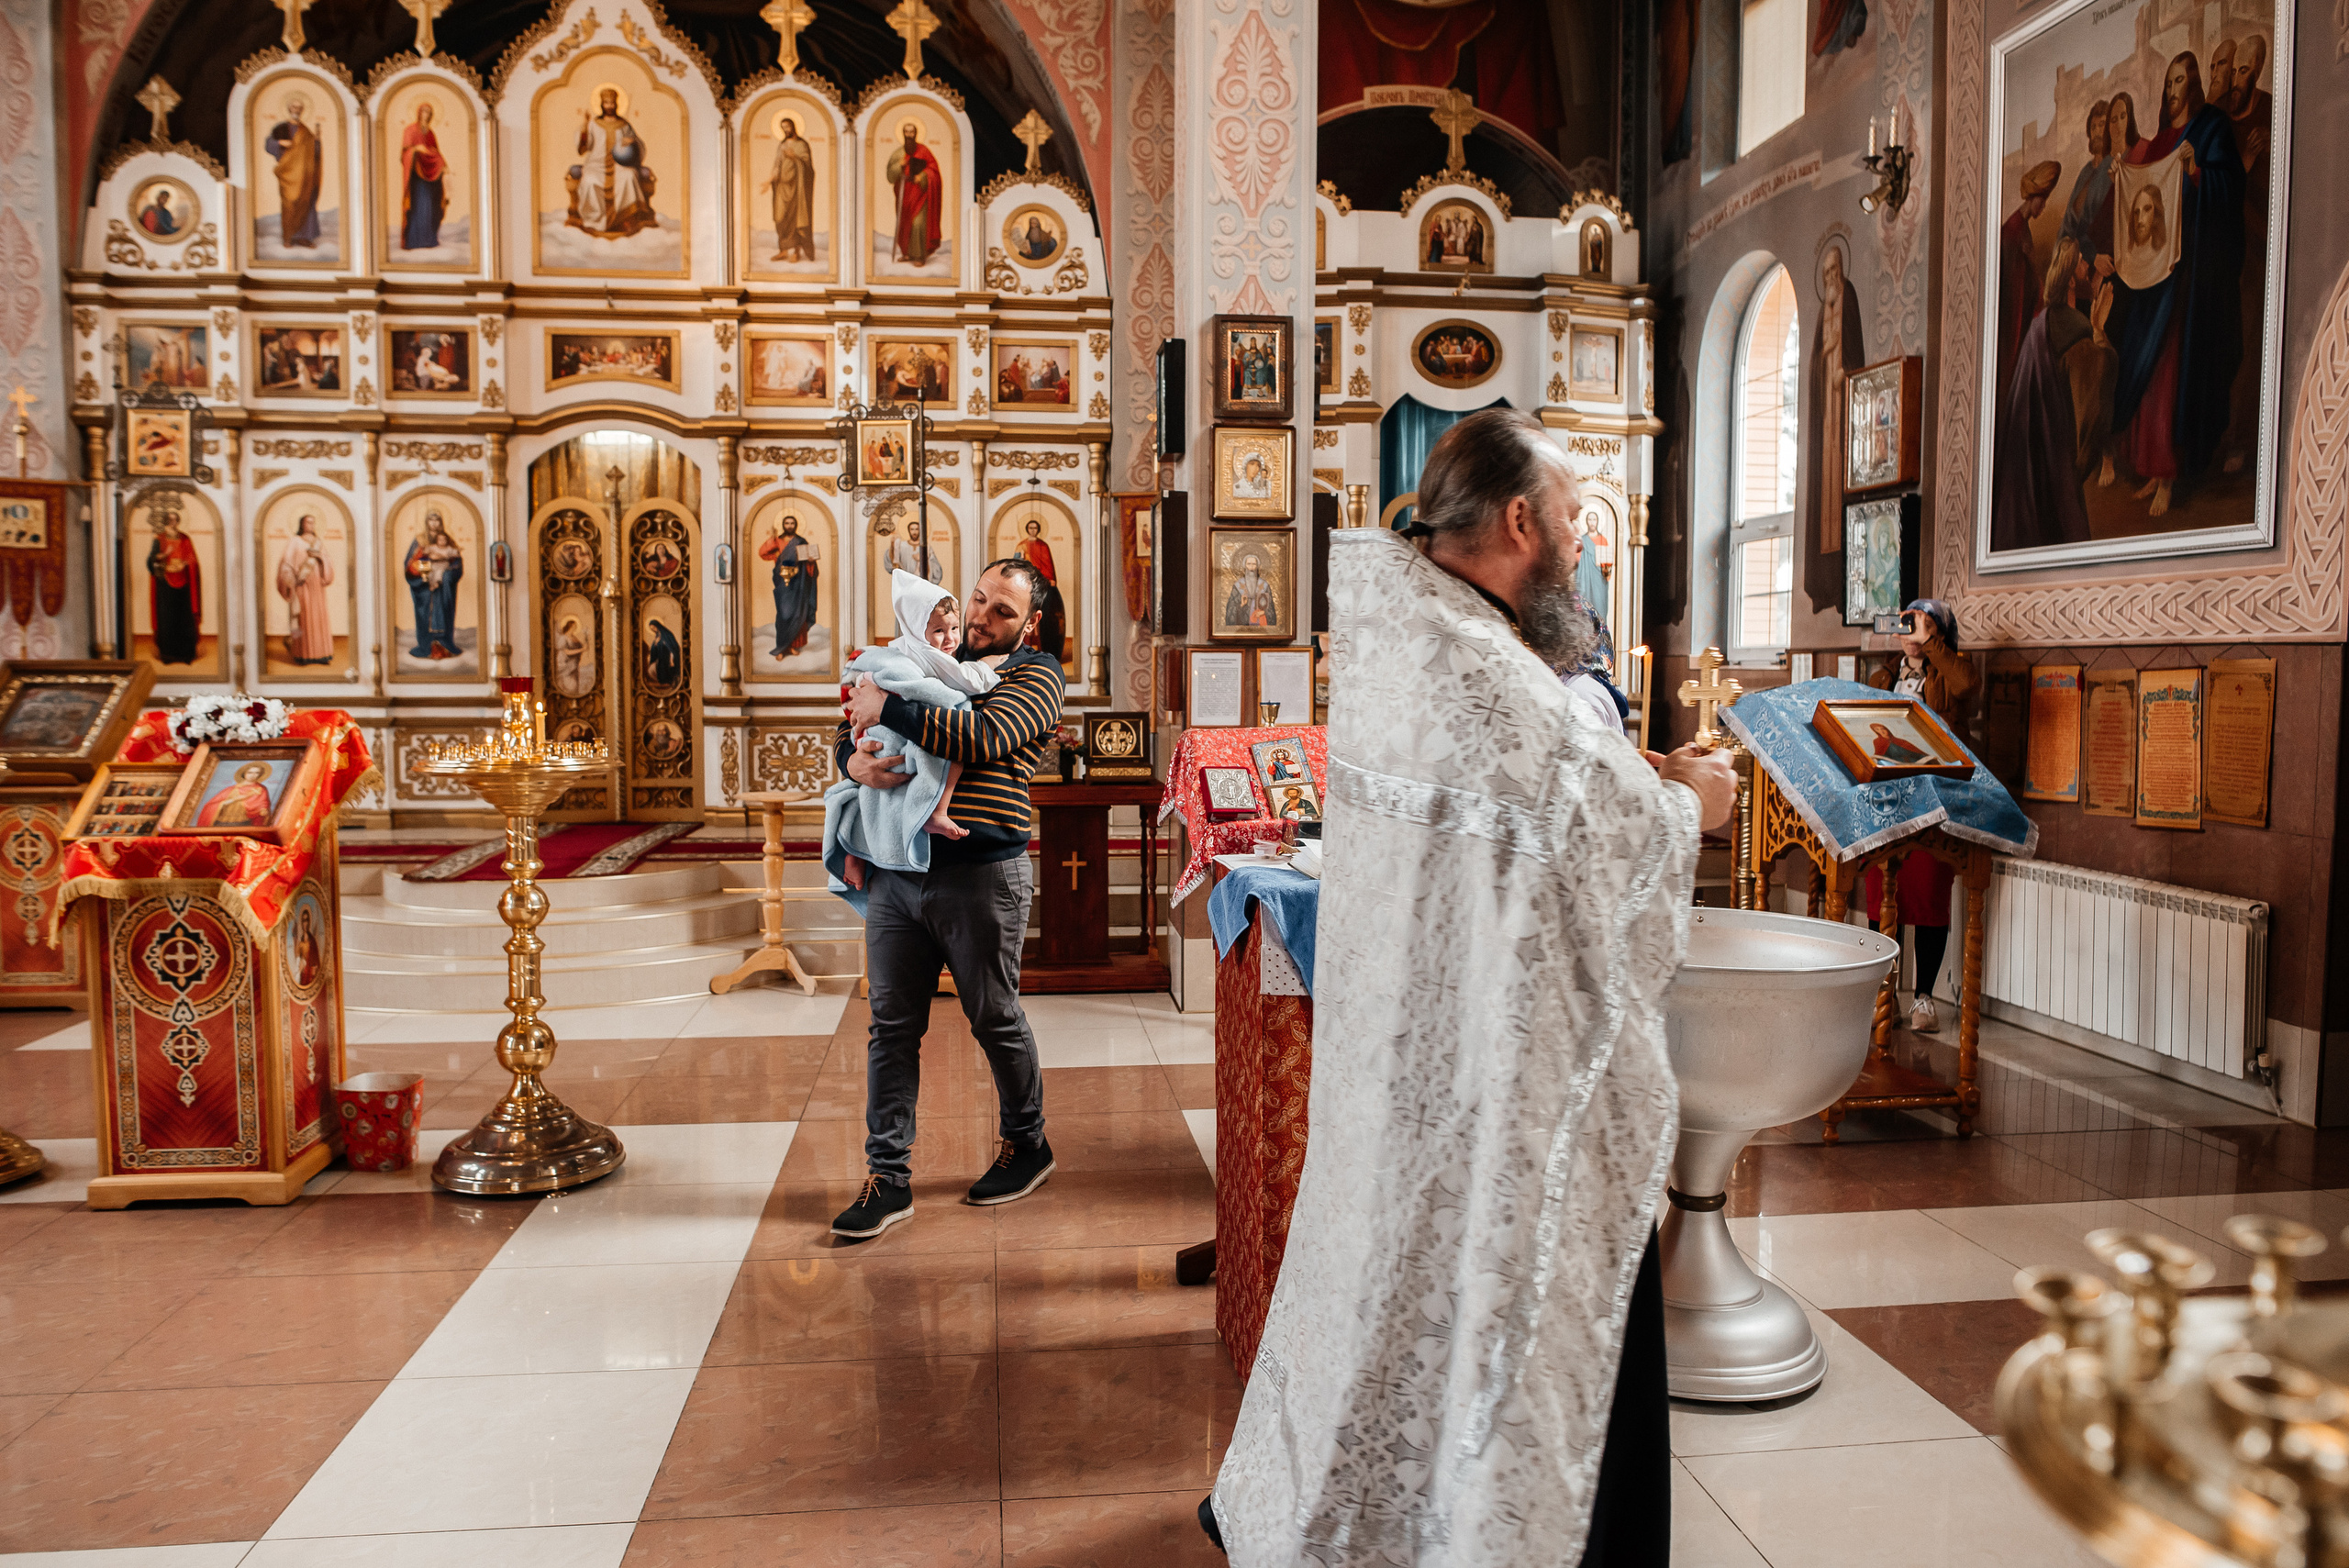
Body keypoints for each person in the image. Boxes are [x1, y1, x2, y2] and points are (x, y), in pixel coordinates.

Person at [1205, 408, 1737, 1564]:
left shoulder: (1415, 635)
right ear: (1518, 520)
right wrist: (1693, 802)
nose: (1582, 548)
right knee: (1511, 1313)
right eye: (1574, 522)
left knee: (1402, 1308)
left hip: (1431, 1053)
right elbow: (1608, 835)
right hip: (1508, 1088)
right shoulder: (1485, 669)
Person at [827, 558, 1064, 1240]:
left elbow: (983, 737)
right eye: (979, 599)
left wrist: (887, 708)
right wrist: (853, 758)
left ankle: (1028, 1142)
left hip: (981, 875)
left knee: (993, 1015)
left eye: (1003, 611)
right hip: (898, 871)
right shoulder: (928, 653)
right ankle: (888, 1176)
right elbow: (854, 718)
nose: (983, 618)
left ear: (1030, 624)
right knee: (892, 1027)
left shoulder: (1036, 675)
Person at [2111, 50, 2246, 518]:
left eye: (2179, 81)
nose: (2171, 91)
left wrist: (2196, 171)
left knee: (2170, 372)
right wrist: (2121, 175)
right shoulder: (2161, 141)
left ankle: (2169, 473)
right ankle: (2152, 469)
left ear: (2193, 86)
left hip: (2188, 277)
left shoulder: (2210, 129)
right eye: (2168, 83)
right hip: (2153, 280)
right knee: (2148, 373)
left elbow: (2231, 187)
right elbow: (2140, 185)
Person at [825, 572, 1001, 893]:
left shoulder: (901, 649)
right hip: (891, 736)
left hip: (882, 732)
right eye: (938, 631)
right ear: (917, 630)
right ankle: (937, 811)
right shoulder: (927, 655)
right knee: (958, 715)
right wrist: (991, 666)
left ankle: (856, 851)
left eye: (954, 629)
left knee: (872, 795)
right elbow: (967, 682)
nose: (949, 639)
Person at [1865, 597, 1976, 1033]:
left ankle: (1924, 998)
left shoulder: (1951, 671)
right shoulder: (1884, 675)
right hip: (1887, 798)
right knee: (1882, 895)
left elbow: (1965, 686)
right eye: (1906, 626)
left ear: (1938, 632)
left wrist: (1931, 643)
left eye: (1919, 625)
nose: (1909, 633)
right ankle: (1886, 994)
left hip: (1934, 796)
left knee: (1929, 894)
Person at [1997, 160, 2061, 399]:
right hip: (2013, 329)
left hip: (2023, 322)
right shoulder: (2012, 232)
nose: (2043, 208)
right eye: (2041, 201)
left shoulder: (2022, 229)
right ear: (2033, 197)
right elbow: (2013, 292)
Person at [568, 86, 657, 239]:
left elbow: (638, 145)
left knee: (629, 176)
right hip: (597, 164)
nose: (609, 106)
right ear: (602, 105)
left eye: (612, 103)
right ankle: (593, 222)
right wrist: (584, 126)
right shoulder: (594, 124)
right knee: (590, 181)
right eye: (606, 103)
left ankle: (625, 220)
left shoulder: (624, 125)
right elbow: (583, 148)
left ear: (616, 104)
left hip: (620, 164)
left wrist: (632, 142)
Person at [403, 509, 463, 661]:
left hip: (444, 587)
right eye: (431, 520)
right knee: (425, 613)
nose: (434, 523)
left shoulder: (447, 539)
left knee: (444, 610)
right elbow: (410, 562)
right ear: (426, 522)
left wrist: (448, 574)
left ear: (441, 522)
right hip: (425, 587)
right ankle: (425, 647)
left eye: (437, 520)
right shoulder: (420, 540)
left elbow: (457, 562)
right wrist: (422, 570)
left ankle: (445, 645)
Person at [275, 513, 335, 666]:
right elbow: (286, 563)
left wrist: (320, 558)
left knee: (318, 618)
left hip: (316, 586)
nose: (310, 525)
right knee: (302, 618)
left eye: (313, 523)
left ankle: (321, 655)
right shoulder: (295, 541)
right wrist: (292, 579)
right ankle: (301, 655)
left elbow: (327, 561)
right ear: (301, 524)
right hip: (301, 585)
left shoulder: (318, 542)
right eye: (308, 522)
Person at [264, 96, 322, 249]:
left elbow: (313, 153)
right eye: (294, 107)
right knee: (289, 204)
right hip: (288, 173)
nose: (296, 110)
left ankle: (305, 238)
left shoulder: (306, 132)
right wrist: (280, 142)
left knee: (307, 203)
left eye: (299, 108)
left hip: (305, 175)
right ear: (289, 109)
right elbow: (269, 144)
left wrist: (316, 142)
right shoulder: (281, 128)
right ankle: (288, 237)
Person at [760, 515, 820, 660]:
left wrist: (811, 561)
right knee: (783, 615)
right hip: (782, 584)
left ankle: (792, 646)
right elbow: (763, 553)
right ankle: (781, 647)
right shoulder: (777, 541)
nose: (789, 525)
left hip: (799, 583)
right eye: (787, 523)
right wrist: (772, 540)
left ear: (796, 525)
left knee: (798, 614)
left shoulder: (801, 541)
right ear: (783, 525)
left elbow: (809, 563)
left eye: (792, 523)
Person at [147, 508, 201, 665]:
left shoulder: (185, 539)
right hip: (165, 584)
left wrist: (185, 564)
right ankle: (168, 655)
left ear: (178, 521)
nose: (173, 522)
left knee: (184, 619)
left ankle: (186, 655)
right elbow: (151, 561)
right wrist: (164, 556)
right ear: (166, 521)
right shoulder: (159, 539)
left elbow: (192, 559)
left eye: (175, 519)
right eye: (169, 520)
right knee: (167, 618)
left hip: (183, 585)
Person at [886, 119, 943, 266]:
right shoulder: (898, 153)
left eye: (911, 132)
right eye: (906, 132)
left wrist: (922, 176)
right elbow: (890, 176)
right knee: (905, 225)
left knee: (918, 223)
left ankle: (919, 256)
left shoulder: (924, 151)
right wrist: (899, 166)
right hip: (904, 195)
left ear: (916, 133)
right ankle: (907, 254)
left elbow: (934, 170)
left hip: (921, 195)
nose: (909, 135)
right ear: (903, 134)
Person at [765, 115, 815, 261]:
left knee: (794, 220)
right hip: (781, 187)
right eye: (783, 128)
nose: (786, 130)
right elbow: (777, 164)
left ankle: (796, 252)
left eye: (787, 127)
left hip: (796, 189)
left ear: (793, 126)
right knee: (781, 218)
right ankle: (783, 251)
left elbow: (808, 167)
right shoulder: (782, 145)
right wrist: (770, 180)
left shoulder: (802, 145)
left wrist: (794, 157)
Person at [399, 100, 447, 251]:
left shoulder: (430, 133)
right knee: (418, 207)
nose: (427, 115)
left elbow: (435, 152)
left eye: (429, 113)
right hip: (417, 178)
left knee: (431, 207)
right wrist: (415, 150)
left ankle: (429, 240)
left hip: (431, 179)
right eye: (425, 112)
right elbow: (404, 154)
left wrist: (440, 163)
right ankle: (414, 241)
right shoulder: (410, 130)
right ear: (419, 113)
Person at [196, 762, 276, 828]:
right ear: (244, 773)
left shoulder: (261, 789)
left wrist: (263, 810)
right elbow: (212, 805)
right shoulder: (231, 789)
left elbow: (263, 803)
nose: (253, 775)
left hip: (244, 823)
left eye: (257, 773)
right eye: (250, 772)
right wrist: (234, 800)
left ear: (260, 775)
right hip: (222, 823)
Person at [643, 616, 681, 689]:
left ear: (658, 626)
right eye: (652, 629)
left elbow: (673, 647)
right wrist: (655, 645)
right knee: (655, 668)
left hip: (668, 657)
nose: (653, 630)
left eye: (654, 627)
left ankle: (669, 682)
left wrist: (671, 659)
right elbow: (654, 650)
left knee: (664, 667)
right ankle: (663, 682)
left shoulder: (667, 634)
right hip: (661, 658)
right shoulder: (657, 637)